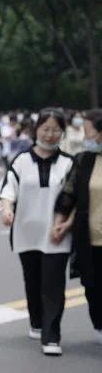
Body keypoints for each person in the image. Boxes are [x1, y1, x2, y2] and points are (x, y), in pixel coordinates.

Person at [0, 108, 74, 356]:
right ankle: (37, 322)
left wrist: (67, 223)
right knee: (33, 280)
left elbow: (76, 198)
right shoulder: (22, 160)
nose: (50, 135)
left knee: (53, 283)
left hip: (56, 234)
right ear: (36, 130)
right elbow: (8, 189)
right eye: (45, 129)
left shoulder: (68, 163)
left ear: (62, 133)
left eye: (55, 130)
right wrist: (7, 210)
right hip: (26, 231)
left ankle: (51, 336)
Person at [53, 110, 102, 345]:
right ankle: (100, 325)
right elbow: (70, 195)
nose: (85, 136)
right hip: (89, 236)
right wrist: (62, 221)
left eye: (88, 131)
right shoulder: (83, 160)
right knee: (92, 286)